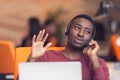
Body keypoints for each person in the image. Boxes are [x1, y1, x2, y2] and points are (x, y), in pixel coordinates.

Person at [27, 14, 110, 80]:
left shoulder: (98, 63)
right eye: (77, 28)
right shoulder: (46, 56)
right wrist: (32, 58)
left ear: (91, 39)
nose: (81, 34)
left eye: (87, 31)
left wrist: (94, 60)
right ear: (68, 30)